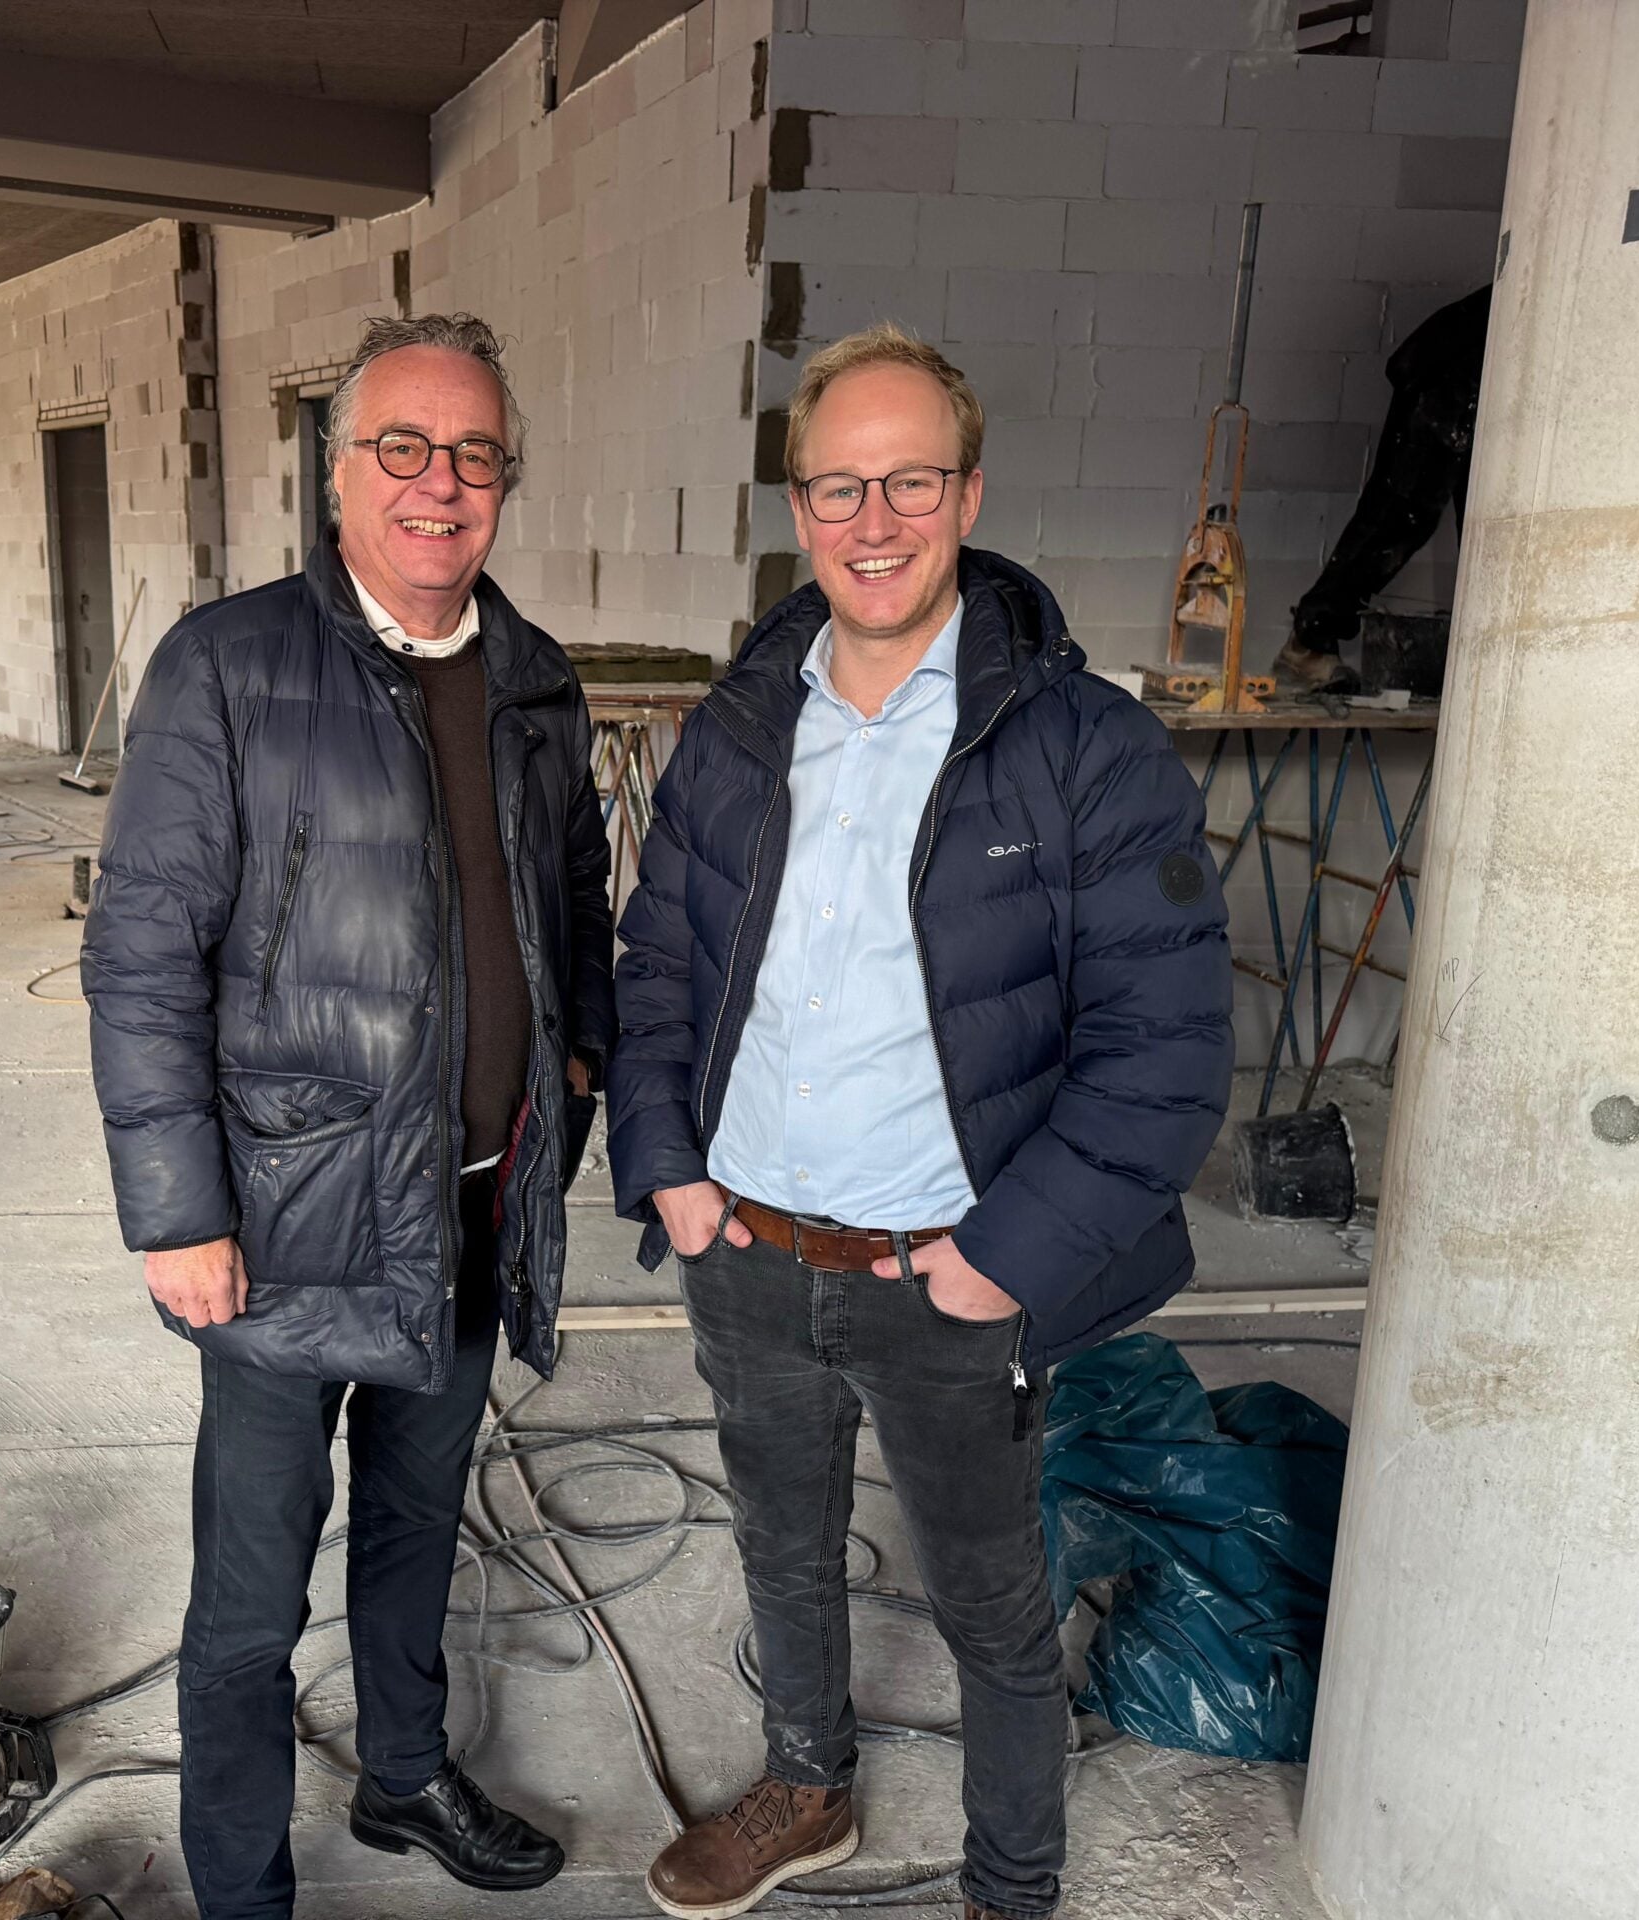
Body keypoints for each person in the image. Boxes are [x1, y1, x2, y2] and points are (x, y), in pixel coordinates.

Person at [608, 323, 1233, 1920]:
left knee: (991, 1606)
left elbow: (1163, 1049)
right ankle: (807, 1787)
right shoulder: (745, 725)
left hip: (943, 1268)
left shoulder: (1085, 748)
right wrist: (672, 1174)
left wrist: (1001, 1260)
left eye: (908, 482)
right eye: (836, 487)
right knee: (781, 1547)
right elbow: (662, 958)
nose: (871, 522)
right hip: (745, 1243)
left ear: (967, 493)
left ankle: (1012, 1884)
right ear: (798, 505)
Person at [82, 313, 615, 1920]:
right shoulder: (231, 663)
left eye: (473, 455)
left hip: (465, 1205)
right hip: (280, 1226)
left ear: (504, 482)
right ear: (339, 478)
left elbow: (576, 908)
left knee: (414, 1529)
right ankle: (242, 1891)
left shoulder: (532, 679)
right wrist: (179, 1212)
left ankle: (402, 1776)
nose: (438, 485)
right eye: (403, 448)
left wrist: (573, 1075)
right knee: (248, 1604)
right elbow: (142, 951)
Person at [1273, 284, 1491, 694]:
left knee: (1469, 517)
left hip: (1474, 366)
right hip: (1454, 370)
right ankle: (1308, 644)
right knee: (1403, 512)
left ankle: (1483, 658)